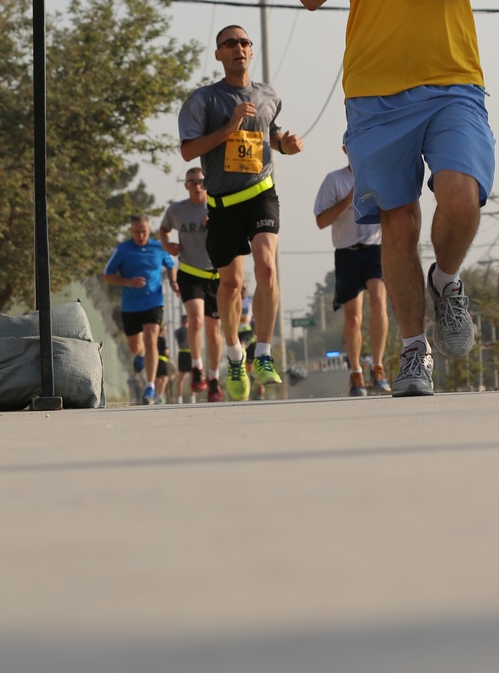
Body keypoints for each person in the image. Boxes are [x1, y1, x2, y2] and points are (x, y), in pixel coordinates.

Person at [296, 0, 499, 398]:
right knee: (397, 224)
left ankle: (447, 280)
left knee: (462, 199)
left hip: (453, 78)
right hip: (375, 90)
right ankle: (414, 354)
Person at [178, 24, 305, 402]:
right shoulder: (203, 100)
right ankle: (235, 355)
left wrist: (286, 144)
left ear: (251, 51)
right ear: (218, 54)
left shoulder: (269, 94)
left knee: (266, 268)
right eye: (230, 43)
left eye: (244, 43)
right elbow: (188, 152)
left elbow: (272, 134)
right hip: (221, 205)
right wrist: (229, 126)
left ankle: (263, 354)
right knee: (231, 286)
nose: (239, 48)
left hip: (261, 193)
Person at [314, 147, 390, 395]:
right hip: (347, 252)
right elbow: (321, 221)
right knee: (353, 317)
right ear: (346, 149)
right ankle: (356, 373)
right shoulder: (334, 180)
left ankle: (378, 368)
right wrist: (349, 199)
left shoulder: (379, 175)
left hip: (374, 248)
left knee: (379, 303)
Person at [159, 168, 224, 404]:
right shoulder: (177, 210)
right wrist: (167, 245)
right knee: (195, 319)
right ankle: (198, 367)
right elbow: (163, 230)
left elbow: (234, 231)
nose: (198, 185)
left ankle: (214, 379)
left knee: (214, 332)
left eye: (201, 181)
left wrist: (216, 223)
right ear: (186, 185)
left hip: (215, 275)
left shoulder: (218, 205)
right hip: (189, 272)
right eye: (193, 182)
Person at [104, 214, 177, 405]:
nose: (140, 235)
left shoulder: (159, 247)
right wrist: (127, 281)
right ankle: (141, 354)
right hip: (130, 305)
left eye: (144, 232)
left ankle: (150, 385)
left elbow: (170, 265)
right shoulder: (122, 250)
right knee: (135, 346)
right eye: (136, 232)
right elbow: (107, 275)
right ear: (131, 231)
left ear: (149, 230)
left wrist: (174, 281)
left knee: (152, 339)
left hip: (154, 302)